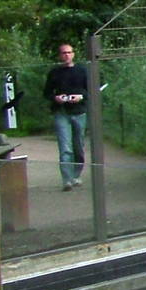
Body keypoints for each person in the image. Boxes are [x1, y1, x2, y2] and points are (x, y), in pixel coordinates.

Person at [43, 42, 88, 189]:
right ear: (60, 55)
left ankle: (76, 175)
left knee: (78, 147)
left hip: (79, 112)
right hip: (61, 113)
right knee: (65, 148)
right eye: (64, 53)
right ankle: (67, 180)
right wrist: (56, 98)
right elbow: (47, 93)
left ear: (73, 54)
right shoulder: (54, 73)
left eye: (69, 52)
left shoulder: (82, 71)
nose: (67, 55)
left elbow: (92, 90)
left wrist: (81, 97)